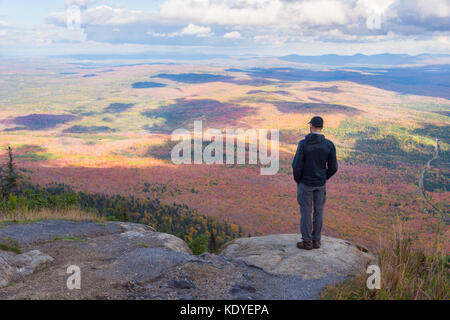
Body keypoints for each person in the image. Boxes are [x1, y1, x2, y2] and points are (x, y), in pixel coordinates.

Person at [292, 116, 338, 250]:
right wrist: (323, 177)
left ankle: (307, 242)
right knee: (319, 211)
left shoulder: (303, 144)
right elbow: (333, 167)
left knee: (306, 212)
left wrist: (298, 180)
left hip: (305, 183)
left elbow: (296, 166)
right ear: (322, 127)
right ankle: (316, 240)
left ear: (311, 126)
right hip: (320, 183)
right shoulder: (329, 145)